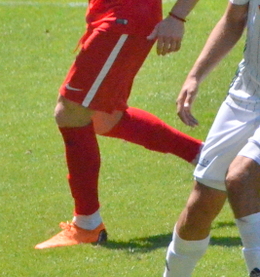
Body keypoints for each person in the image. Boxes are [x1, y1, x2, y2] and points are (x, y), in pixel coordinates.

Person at [128, 0, 260, 277]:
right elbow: (235, 18)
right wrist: (195, 75)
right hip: (247, 94)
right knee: (201, 204)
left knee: (242, 177)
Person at [35, 0, 205, 249]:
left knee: (71, 112)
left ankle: (87, 225)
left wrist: (177, 17)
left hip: (123, 20)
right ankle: (206, 157)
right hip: (113, 17)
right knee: (105, 118)